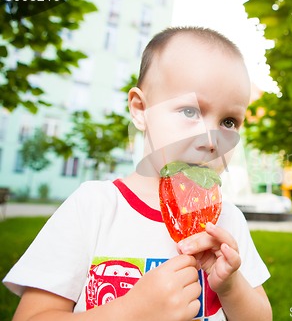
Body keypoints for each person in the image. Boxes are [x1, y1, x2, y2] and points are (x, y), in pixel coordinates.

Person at [3, 26, 272, 321]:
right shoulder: (94, 207)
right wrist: (130, 312)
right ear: (141, 109)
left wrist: (232, 287)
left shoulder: (228, 221)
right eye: (190, 112)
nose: (211, 140)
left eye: (229, 122)